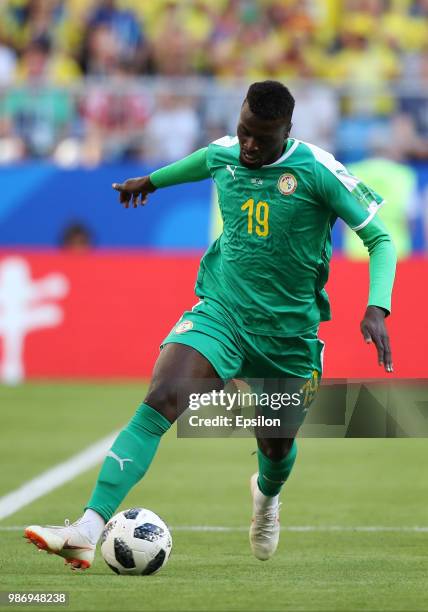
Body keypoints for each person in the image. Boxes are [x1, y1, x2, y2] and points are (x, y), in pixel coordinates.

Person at [24, 80, 396, 570]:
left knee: (277, 446)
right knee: (162, 398)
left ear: (288, 131)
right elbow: (201, 161)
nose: (249, 145)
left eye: (262, 138)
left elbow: (380, 240)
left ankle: (266, 498)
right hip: (222, 312)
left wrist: (377, 307)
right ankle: (86, 529)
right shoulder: (227, 153)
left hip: (288, 339)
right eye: (243, 132)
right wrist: (150, 182)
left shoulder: (319, 171)